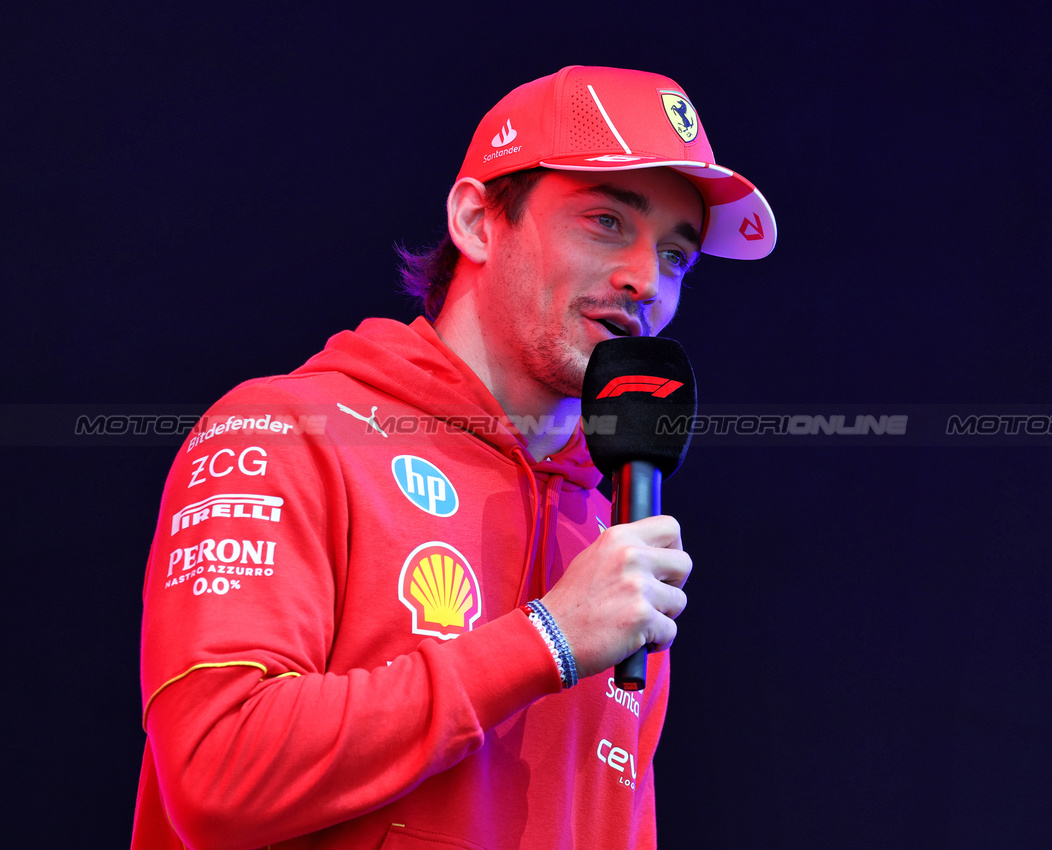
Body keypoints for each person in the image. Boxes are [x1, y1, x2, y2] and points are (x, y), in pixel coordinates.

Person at [132, 65, 776, 850]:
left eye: (676, 256)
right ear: (476, 221)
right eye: (606, 221)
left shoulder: (611, 521)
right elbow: (217, 773)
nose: (646, 280)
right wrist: (543, 641)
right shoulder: (285, 431)